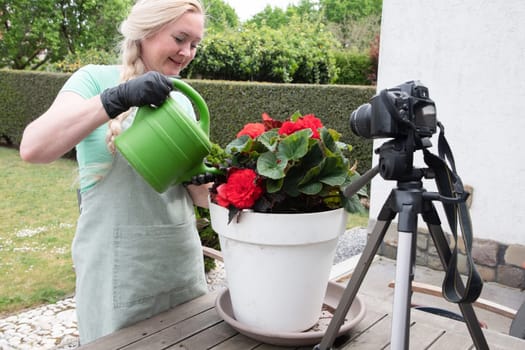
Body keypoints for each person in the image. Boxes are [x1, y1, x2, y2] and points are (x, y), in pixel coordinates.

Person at [19, 0, 210, 344]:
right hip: (116, 269)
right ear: (146, 32)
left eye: (195, 44)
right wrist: (117, 99)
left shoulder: (181, 99)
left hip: (180, 264)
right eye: (180, 39)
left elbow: (200, 198)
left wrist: (207, 181)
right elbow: (34, 147)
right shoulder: (95, 79)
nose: (187, 53)